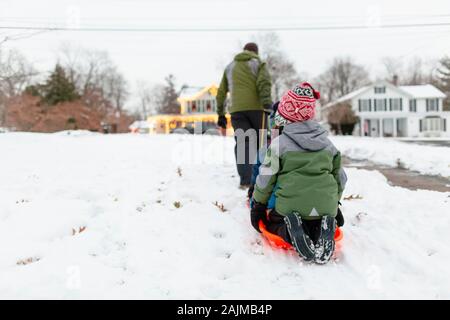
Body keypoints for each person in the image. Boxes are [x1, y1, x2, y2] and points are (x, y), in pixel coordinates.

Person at [250, 82, 347, 264]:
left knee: (274, 223)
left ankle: (289, 230)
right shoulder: (328, 145)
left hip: (289, 208)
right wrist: (335, 203)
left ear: (285, 117)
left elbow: (266, 178)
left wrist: (258, 206)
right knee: (314, 221)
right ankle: (324, 227)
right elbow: (340, 178)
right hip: (325, 207)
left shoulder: (279, 145)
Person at [216, 42, 272, 188]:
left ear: (244, 51)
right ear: (256, 52)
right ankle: (263, 180)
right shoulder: (259, 63)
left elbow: (221, 92)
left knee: (243, 143)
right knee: (262, 142)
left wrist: (221, 114)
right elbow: (264, 82)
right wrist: (267, 102)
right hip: (257, 109)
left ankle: (246, 181)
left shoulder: (230, 66)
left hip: (237, 111)